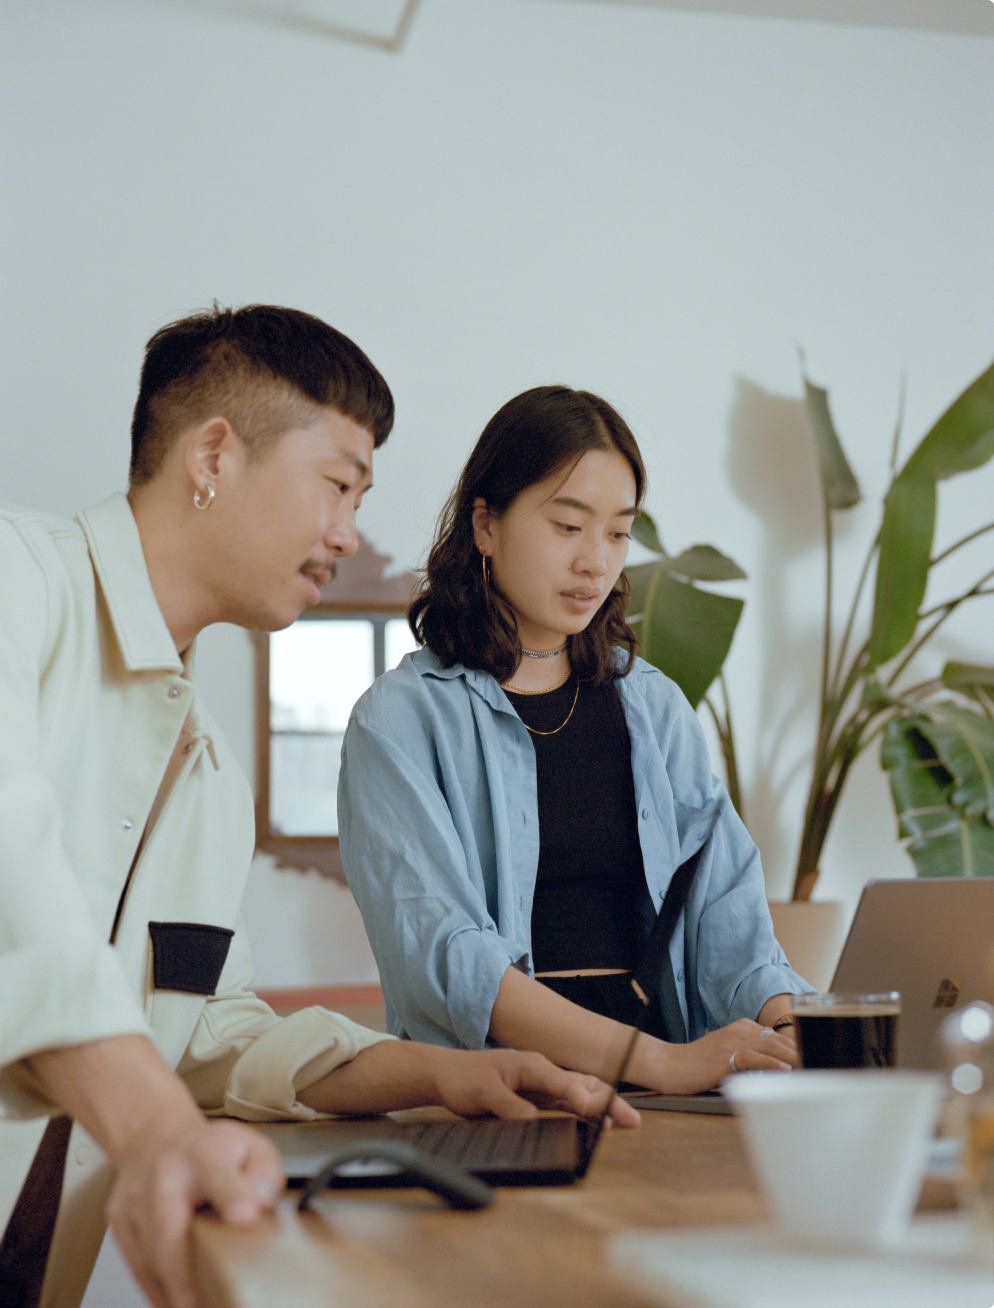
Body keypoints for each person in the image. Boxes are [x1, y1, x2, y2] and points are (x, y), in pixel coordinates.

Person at [0, 312, 638, 1308]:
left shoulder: (203, 773)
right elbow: (11, 875)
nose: (348, 534)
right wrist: (159, 1129)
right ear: (213, 452)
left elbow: (211, 1035)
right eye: (338, 485)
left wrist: (434, 1075)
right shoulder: (17, 579)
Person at [339, 385, 815, 1095]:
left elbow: (726, 911)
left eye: (618, 532)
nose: (596, 560)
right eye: (567, 526)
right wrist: (653, 1062)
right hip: (494, 1096)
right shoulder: (399, 721)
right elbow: (446, 958)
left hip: (668, 1102)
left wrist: (789, 1025)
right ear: (486, 525)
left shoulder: (653, 706)